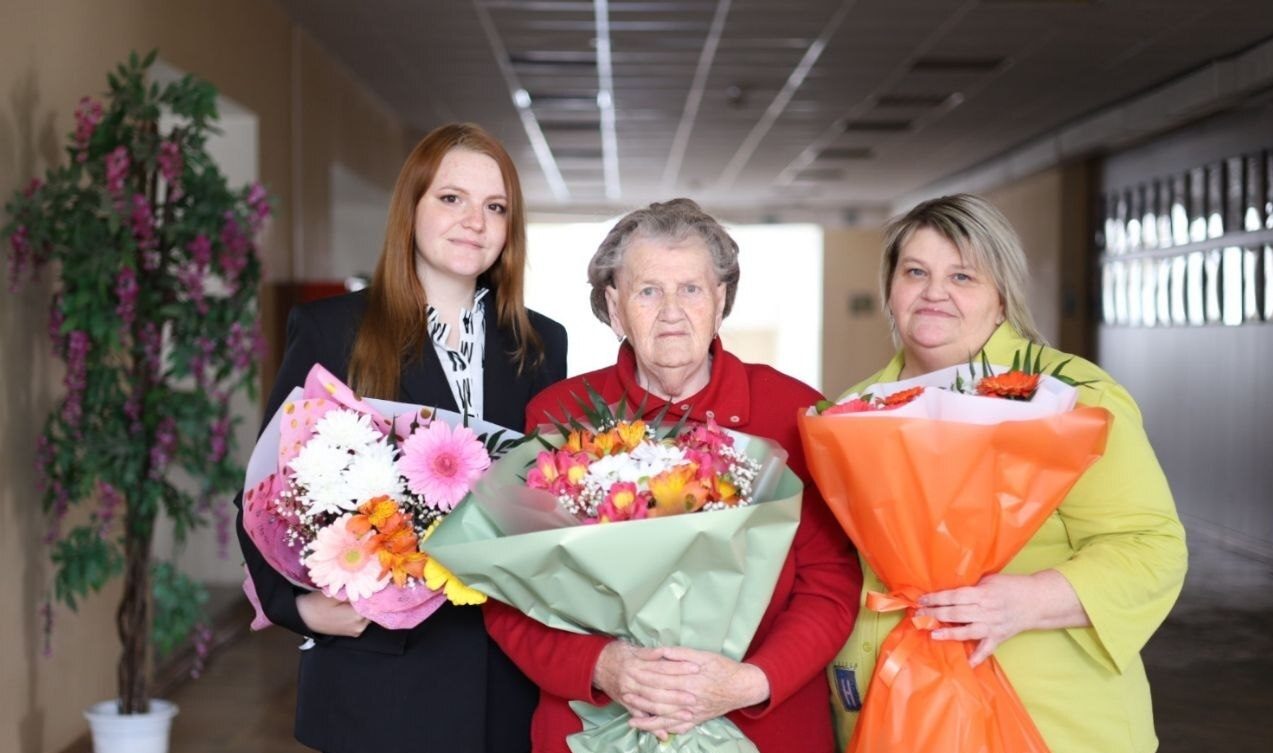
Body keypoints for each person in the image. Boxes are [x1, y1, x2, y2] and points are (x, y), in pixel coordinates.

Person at [482, 198, 863, 752]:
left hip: (762, 726)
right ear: (614, 307)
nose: (671, 312)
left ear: (720, 300)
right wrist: (603, 665)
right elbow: (508, 592)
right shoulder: (558, 417)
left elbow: (830, 581)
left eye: (690, 289)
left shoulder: (792, 410)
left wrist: (749, 681)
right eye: (647, 291)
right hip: (596, 726)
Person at [234, 123, 567, 753]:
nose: (475, 222)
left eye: (496, 207)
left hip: (505, 679)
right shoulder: (334, 330)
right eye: (452, 198)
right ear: (410, 207)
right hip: (379, 678)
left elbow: (549, 497)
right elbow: (264, 494)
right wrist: (297, 609)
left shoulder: (541, 343)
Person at [828, 193, 1187, 753]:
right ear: (890, 290)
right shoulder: (852, 410)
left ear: (1002, 299)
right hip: (888, 712)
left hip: (1046, 715)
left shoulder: (1070, 397)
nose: (934, 292)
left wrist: (1028, 601)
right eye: (915, 272)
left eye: (963, 276)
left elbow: (1151, 547)